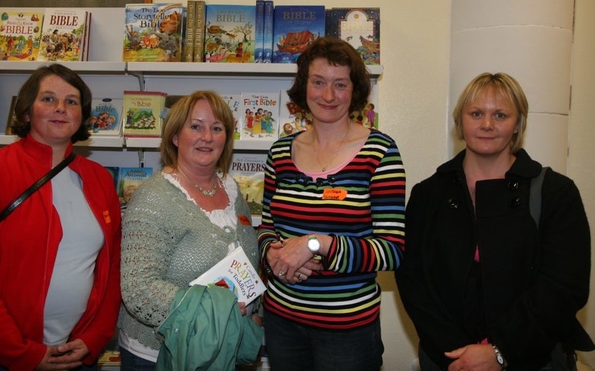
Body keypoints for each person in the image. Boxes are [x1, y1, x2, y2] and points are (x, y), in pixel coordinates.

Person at [395, 72, 594, 370]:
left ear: (518, 124)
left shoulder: (556, 193)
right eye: (476, 113)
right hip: (448, 360)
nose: (487, 124)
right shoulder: (428, 194)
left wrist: (500, 352)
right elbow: (412, 278)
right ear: (460, 121)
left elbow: (564, 287)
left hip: (531, 359)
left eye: (500, 115)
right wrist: (457, 352)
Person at [0, 63, 122, 370]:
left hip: (73, 352)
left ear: (82, 116)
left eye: (71, 101)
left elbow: (110, 272)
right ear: (27, 111)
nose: (60, 108)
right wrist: (21, 353)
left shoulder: (100, 180)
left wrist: (95, 337)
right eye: (48, 99)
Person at [257, 37, 406, 371]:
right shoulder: (280, 153)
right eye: (318, 82)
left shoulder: (380, 153)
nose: (327, 95)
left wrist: (316, 245)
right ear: (303, 86)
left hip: (348, 332)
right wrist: (274, 254)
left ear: (354, 91)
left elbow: (392, 250)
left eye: (340, 85)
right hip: (282, 321)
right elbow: (266, 228)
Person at [117, 90, 262, 370]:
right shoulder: (154, 197)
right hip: (159, 354)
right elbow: (138, 289)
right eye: (195, 126)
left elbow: (246, 265)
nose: (207, 137)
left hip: (220, 349)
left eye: (216, 128)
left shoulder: (232, 190)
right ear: (175, 136)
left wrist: (256, 314)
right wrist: (216, 311)